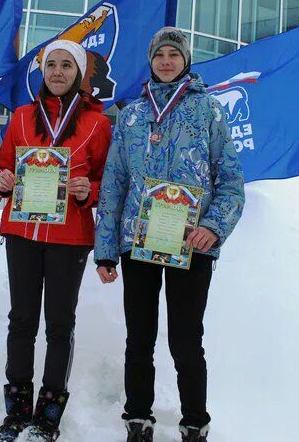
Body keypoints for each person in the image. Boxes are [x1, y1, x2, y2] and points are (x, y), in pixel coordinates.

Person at [94, 27, 245, 442]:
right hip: (137, 244)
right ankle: (137, 418)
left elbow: (230, 180)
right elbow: (114, 184)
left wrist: (213, 228)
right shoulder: (132, 115)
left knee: (185, 339)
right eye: (159, 54)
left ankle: (195, 421)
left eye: (173, 55)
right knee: (138, 337)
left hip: (191, 245)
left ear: (186, 61)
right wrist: (106, 251)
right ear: (150, 60)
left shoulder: (208, 111)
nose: (166, 61)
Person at [0, 39, 112, 442]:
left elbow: (109, 181)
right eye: (51, 66)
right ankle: (16, 411)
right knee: (21, 320)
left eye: (66, 66)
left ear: (78, 74)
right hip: (22, 232)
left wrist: (87, 190)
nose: (57, 72)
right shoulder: (23, 116)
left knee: (59, 325)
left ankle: (49, 413)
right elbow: (3, 166)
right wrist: (2, 181)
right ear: (42, 73)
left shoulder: (98, 123)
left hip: (69, 237)